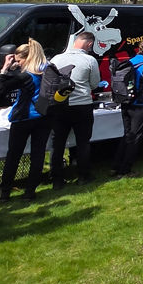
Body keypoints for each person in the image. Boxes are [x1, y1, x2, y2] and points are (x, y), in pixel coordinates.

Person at [0, 39, 51, 201]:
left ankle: (5, 192)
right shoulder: (47, 70)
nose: (17, 63)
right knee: (38, 155)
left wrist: (4, 69)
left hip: (24, 117)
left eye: (19, 60)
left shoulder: (25, 77)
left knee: (14, 156)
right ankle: (30, 191)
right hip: (44, 115)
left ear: (27, 58)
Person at [48, 31, 101, 186]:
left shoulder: (57, 58)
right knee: (83, 142)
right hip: (82, 105)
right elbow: (94, 84)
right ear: (89, 44)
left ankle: (56, 178)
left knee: (57, 144)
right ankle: (84, 176)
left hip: (60, 104)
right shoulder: (90, 60)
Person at [114, 40, 143, 176]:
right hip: (138, 105)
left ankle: (116, 166)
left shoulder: (130, 61)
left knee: (126, 134)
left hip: (125, 102)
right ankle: (126, 169)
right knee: (135, 137)